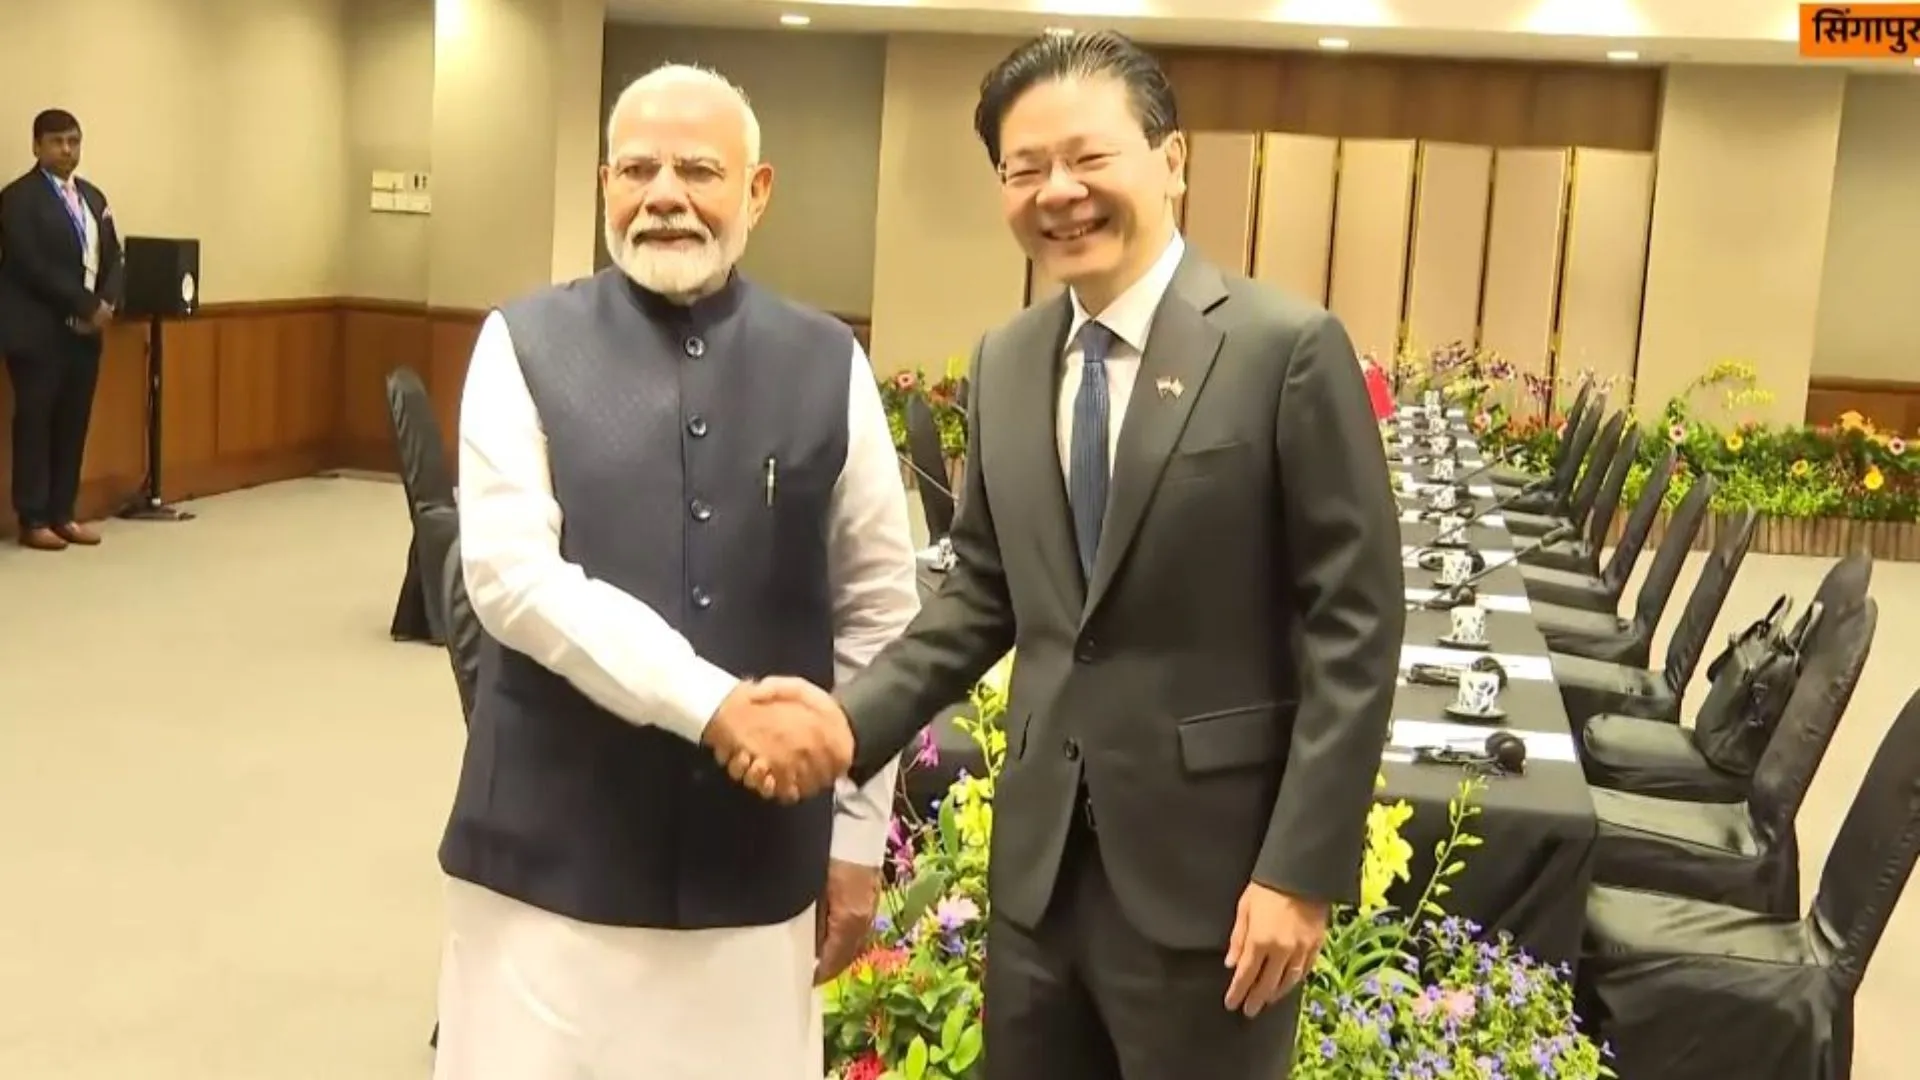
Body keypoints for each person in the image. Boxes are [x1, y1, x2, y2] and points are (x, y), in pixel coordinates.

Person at [734, 31, 1405, 1079]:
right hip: (1041, 877)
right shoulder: (1008, 360)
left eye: (1090, 160)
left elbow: (1356, 629)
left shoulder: (1285, 348)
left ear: (1171, 160)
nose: (1060, 192)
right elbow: (984, 593)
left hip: (1217, 888)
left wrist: (1302, 871)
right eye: (1024, 168)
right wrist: (844, 723)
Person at [431, 63, 919, 1080]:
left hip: (757, 865)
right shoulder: (519, 341)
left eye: (699, 168)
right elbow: (513, 580)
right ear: (605, 182)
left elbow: (880, 610)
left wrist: (858, 837)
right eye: (638, 169)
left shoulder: (829, 361)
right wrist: (717, 706)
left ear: (758, 189)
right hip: (544, 858)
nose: (665, 194)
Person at [0, 109, 122, 550]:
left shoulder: (93, 196)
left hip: (85, 334)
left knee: (73, 422)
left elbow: (114, 257)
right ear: (37, 146)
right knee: (36, 423)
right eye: (56, 142)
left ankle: (62, 513)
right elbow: (30, 264)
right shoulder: (17, 198)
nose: (66, 150)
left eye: (73, 141)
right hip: (36, 332)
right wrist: (84, 305)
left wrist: (107, 302)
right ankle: (33, 518)